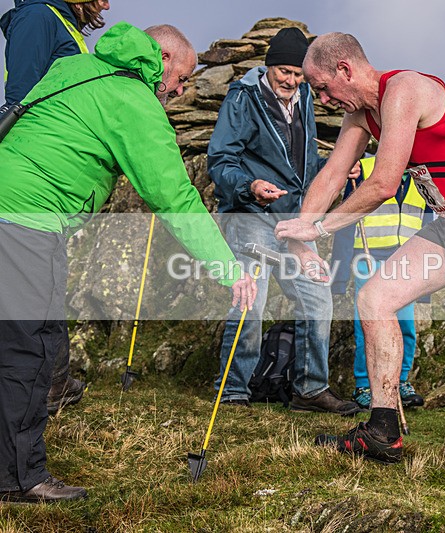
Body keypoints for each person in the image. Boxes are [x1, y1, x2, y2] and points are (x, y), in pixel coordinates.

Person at [275, 32, 445, 519]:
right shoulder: (362, 114)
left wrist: (321, 226)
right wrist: (300, 234)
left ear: (346, 70)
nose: (325, 101)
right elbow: (334, 173)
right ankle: (383, 429)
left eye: (325, 88)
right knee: (374, 299)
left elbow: (383, 182)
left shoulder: (407, 90)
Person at [0, 22, 257, 504]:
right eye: (181, 78)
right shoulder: (133, 100)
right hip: (25, 219)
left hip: (13, 209)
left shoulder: (77, 67)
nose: (180, 92)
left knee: (37, 340)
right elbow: (175, 196)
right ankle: (17, 479)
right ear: (160, 59)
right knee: (30, 352)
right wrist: (228, 267)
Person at [208, 27, 359, 415]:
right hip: (252, 215)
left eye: (297, 73)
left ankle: (309, 390)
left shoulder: (305, 97)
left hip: (293, 223)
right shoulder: (243, 98)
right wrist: (250, 184)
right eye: (284, 72)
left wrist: (336, 170)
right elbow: (221, 161)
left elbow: (302, 165)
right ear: (269, 66)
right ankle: (232, 391)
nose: (291, 81)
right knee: (250, 301)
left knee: (316, 296)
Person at [1, 0, 112, 414]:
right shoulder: (38, 17)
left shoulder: (62, 21)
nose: (106, 3)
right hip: (31, 184)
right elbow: (22, 99)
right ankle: (46, 386)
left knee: (46, 286)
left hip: (49, 189)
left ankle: (54, 382)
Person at [330, 157, 429, 409]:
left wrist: (427, 283)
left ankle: (400, 382)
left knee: (405, 326)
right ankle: (365, 385)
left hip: (406, 262)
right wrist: (339, 276)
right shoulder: (363, 169)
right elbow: (345, 224)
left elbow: (430, 231)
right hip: (368, 258)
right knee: (369, 326)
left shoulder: (425, 179)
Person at [2, 0, 111, 108]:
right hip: (40, 122)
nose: (107, 6)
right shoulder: (37, 15)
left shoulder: (61, 23)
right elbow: (20, 92)